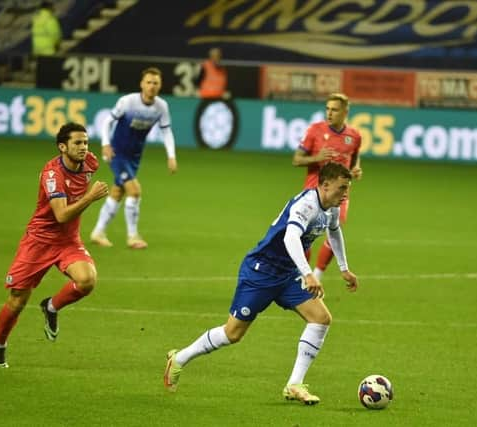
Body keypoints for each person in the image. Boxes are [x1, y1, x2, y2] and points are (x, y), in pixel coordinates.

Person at [164, 162, 359, 405]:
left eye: (347, 189)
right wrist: (308, 273)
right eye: (342, 188)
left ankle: (294, 384)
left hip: (287, 274)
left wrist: (343, 268)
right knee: (233, 333)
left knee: (321, 318)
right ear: (326, 185)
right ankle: (179, 359)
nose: (345, 194)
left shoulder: (331, 208)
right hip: (261, 271)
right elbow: (290, 237)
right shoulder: (307, 204)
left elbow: (334, 231)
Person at [0, 123, 109, 368]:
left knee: (87, 280)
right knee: (17, 301)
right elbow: (62, 215)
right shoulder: (52, 174)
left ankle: (51, 306)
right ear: (62, 147)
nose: (83, 148)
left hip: (68, 242)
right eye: (77, 143)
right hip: (39, 241)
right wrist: (89, 197)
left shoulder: (90, 163)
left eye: (86, 142)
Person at [90, 67, 178, 249]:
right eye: (148, 82)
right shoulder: (128, 102)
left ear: (160, 85)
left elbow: (166, 131)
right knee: (135, 191)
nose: (152, 86)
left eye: (155, 83)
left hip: (134, 156)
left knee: (117, 192)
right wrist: (105, 144)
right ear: (141, 84)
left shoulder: (161, 106)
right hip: (117, 153)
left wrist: (171, 156)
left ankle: (98, 232)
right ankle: (132, 237)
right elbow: (108, 121)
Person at [292, 93, 362, 280]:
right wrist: (317, 158)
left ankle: (317, 274)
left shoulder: (354, 136)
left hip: (339, 195)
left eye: (334, 109)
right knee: (304, 238)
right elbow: (297, 159)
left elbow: (354, 160)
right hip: (313, 193)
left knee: (334, 230)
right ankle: (301, 274)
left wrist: (355, 170)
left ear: (345, 112)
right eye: (327, 109)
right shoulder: (314, 130)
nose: (329, 113)